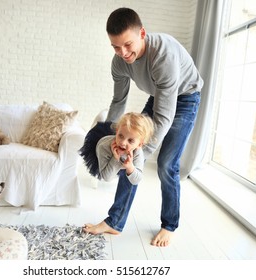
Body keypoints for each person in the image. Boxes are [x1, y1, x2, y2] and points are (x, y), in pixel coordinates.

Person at [84, 7, 204, 247]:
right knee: (126, 153)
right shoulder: (118, 62)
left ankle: (169, 225)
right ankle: (115, 222)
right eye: (116, 47)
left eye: (128, 45)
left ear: (142, 34)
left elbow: (163, 118)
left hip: (185, 98)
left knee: (166, 163)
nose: (123, 53)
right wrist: (113, 138)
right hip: (158, 96)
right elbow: (118, 102)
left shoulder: (163, 56)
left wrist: (137, 153)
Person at [80, 112, 154, 235]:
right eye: (120, 136)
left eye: (130, 140)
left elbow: (136, 180)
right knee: (112, 169)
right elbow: (107, 177)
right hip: (104, 152)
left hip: (127, 161)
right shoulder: (103, 146)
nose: (123, 143)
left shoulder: (138, 152)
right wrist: (116, 158)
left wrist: (130, 167)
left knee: (131, 174)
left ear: (139, 144)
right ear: (117, 131)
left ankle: (114, 224)